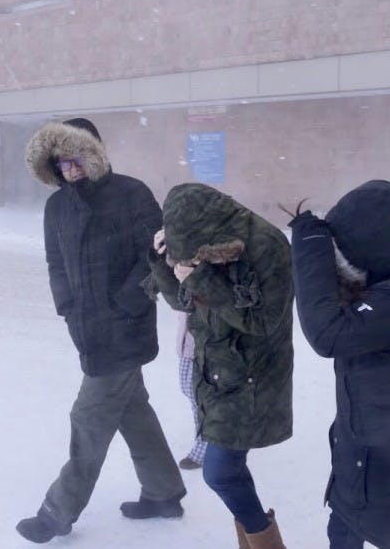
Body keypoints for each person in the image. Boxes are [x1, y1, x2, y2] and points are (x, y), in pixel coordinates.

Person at [15, 118, 186, 543]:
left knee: (89, 418)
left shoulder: (132, 194)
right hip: (87, 329)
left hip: (127, 328)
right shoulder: (57, 207)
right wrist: (68, 308)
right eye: (61, 163)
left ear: (93, 154)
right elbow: (56, 263)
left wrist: (125, 304)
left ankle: (58, 511)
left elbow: (157, 257)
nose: (69, 170)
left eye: (75, 160)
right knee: (133, 411)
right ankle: (164, 492)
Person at [287, 180, 390, 549]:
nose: (347, 259)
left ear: (371, 240)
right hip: (370, 450)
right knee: (344, 532)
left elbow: (327, 334)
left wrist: (311, 245)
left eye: (347, 249)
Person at [147, 183, 293, 549]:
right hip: (214, 372)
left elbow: (264, 321)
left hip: (253, 376)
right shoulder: (196, 247)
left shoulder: (266, 244)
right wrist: (162, 262)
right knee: (229, 472)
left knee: (220, 473)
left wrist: (198, 278)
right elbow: (183, 303)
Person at [175, 311, 208, 470]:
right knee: (188, 388)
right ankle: (206, 440)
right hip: (187, 342)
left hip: (204, 345)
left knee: (200, 397)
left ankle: (206, 445)